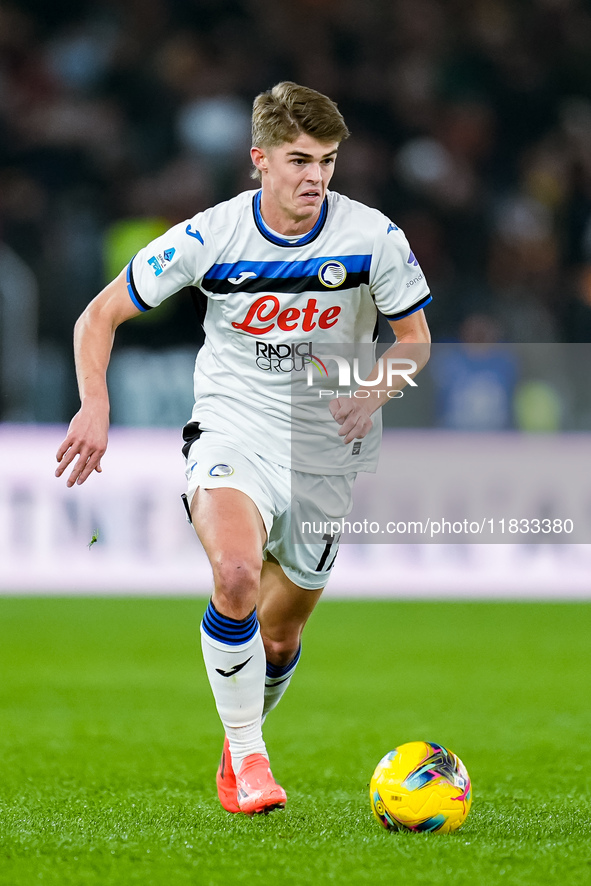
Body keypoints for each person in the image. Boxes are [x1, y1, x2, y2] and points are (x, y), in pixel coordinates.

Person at [55, 82, 432, 815]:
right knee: (234, 576)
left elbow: (414, 341)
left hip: (325, 446)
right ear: (259, 159)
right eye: (298, 159)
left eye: (326, 160)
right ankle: (251, 761)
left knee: (280, 633)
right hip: (233, 428)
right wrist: (94, 405)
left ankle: (238, 743)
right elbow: (97, 315)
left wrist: (374, 389)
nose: (315, 177)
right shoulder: (210, 236)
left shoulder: (372, 238)